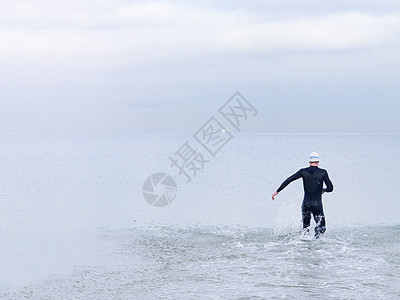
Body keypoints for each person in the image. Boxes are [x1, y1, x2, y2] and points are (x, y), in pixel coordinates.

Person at [271, 152, 334, 238]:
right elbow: (330, 188)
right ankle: (316, 242)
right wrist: (323, 190)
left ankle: (304, 245)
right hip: (317, 205)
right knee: (321, 227)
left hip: (306, 204)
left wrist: (277, 191)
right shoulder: (323, 172)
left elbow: (289, 180)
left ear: (309, 162)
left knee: (305, 228)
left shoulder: (303, 171)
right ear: (318, 161)